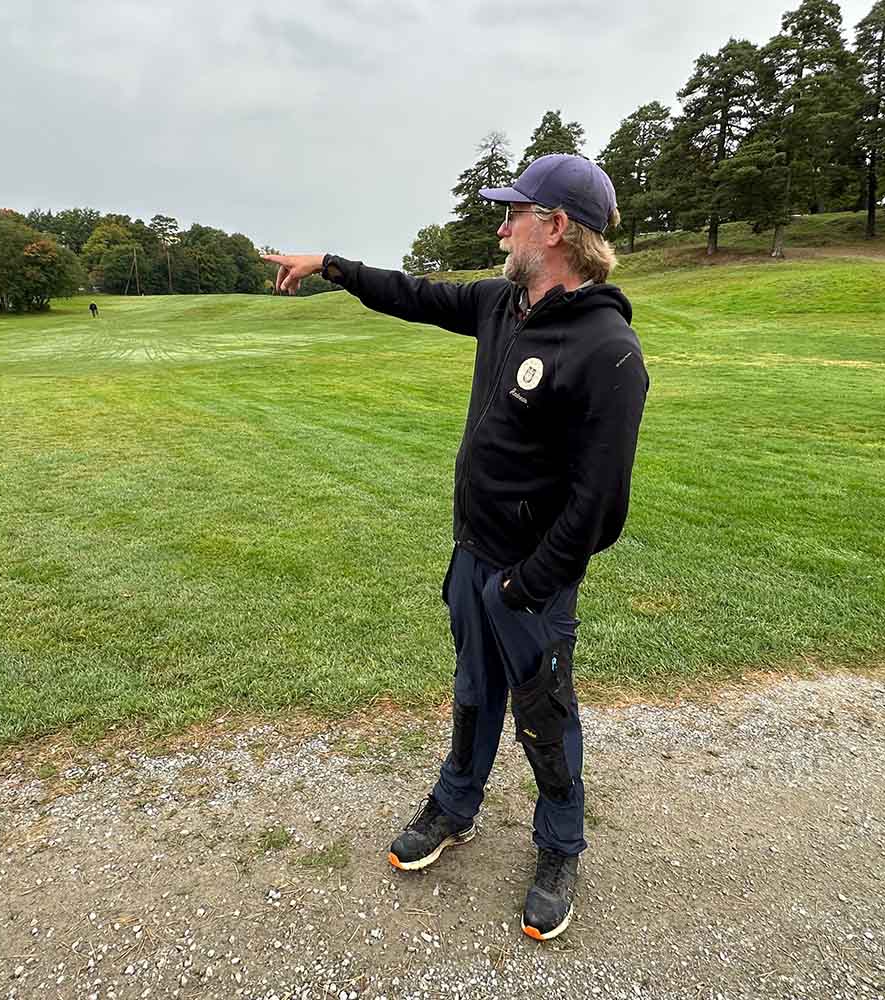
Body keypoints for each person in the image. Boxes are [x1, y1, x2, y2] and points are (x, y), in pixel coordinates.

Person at [262, 154, 648, 942]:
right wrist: (330, 265)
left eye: (514, 213)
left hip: (530, 581)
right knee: (473, 691)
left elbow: (599, 508)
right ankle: (456, 805)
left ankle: (559, 847)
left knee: (544, 714)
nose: (501, 225)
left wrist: (525, 586)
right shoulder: (500, 306)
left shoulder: (608, 350)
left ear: (558, 228)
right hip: (472, 555)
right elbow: (413, 293)